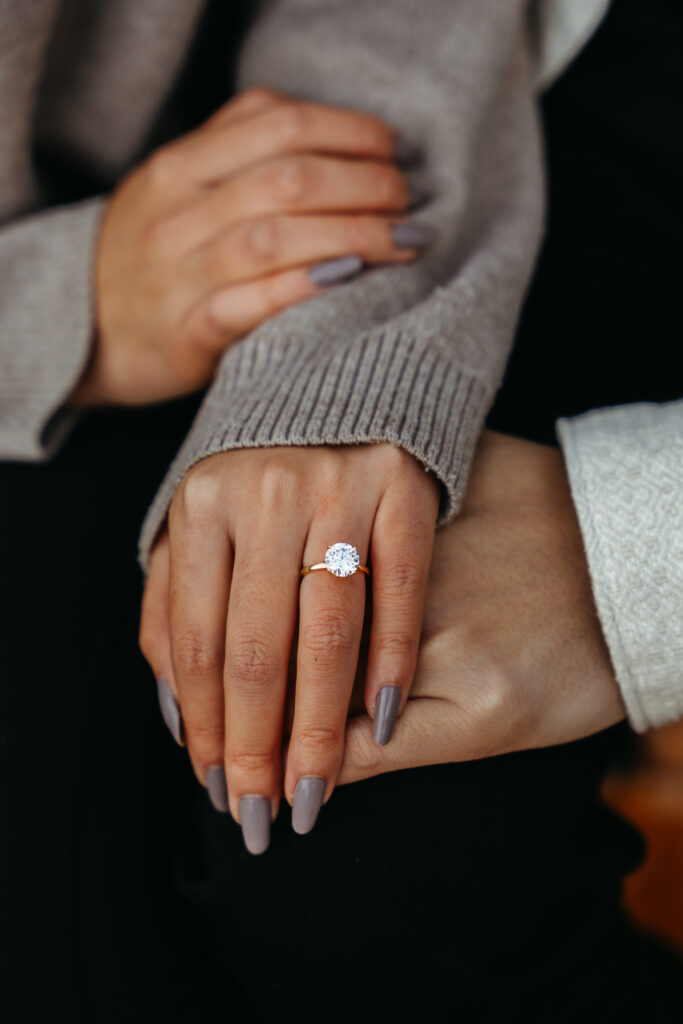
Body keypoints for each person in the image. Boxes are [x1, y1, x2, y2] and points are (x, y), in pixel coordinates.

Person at [1, 1, 680, 1022]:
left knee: (359, 854)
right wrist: (49, 306)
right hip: (95, 315)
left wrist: (632, 554)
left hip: (240, 233)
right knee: (65, 943)